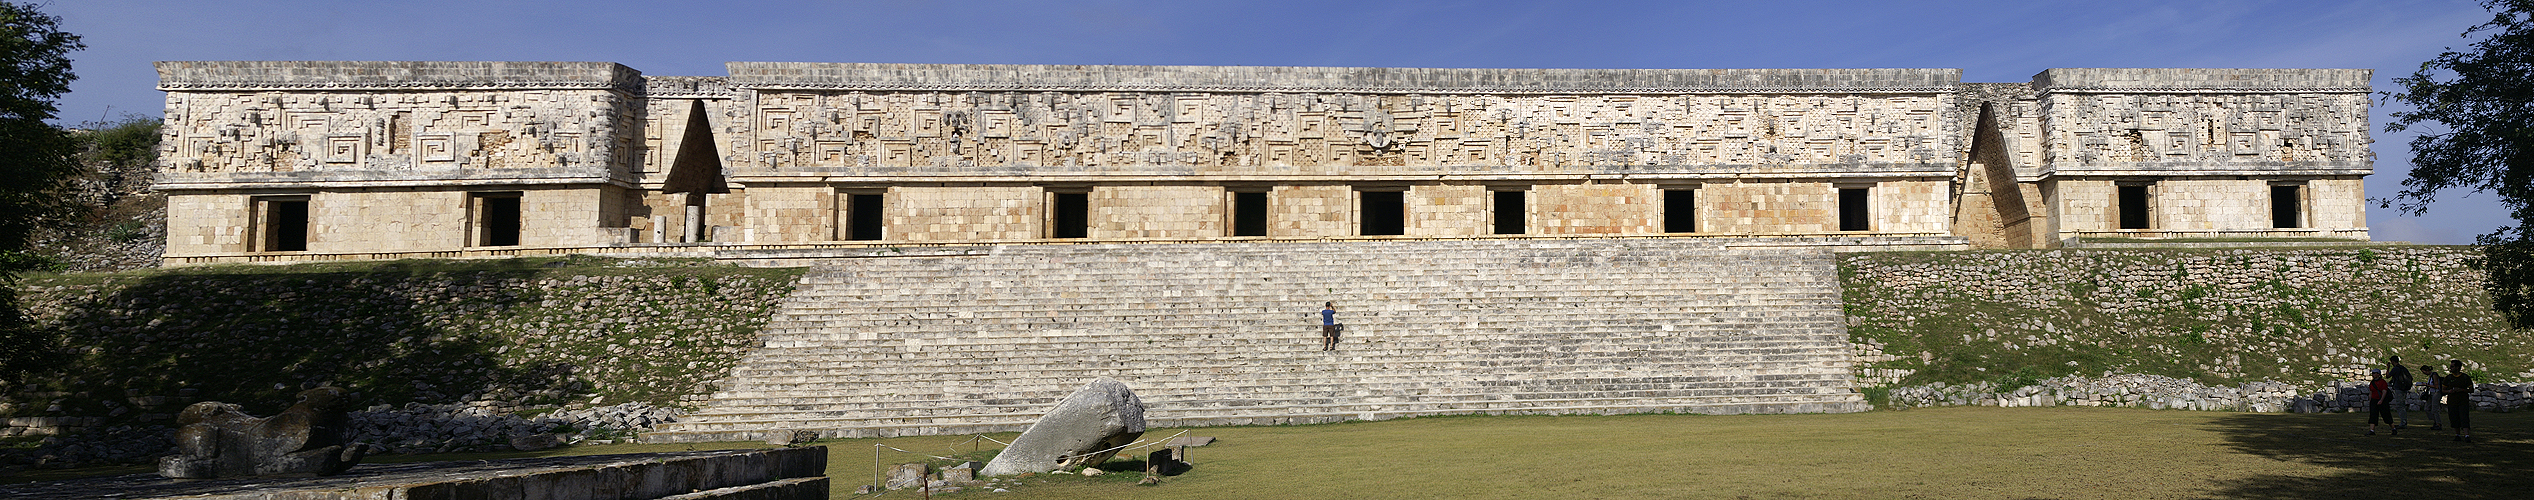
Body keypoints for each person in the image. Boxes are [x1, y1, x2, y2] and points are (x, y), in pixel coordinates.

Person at [2447, 360, 2474, 443]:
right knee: (2454, 418)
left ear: (2457, 367)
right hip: (2452, 401)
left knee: (2464, 417)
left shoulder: (2465, 377)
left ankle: (2466, 435)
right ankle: (2457, 435)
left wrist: (2462, 390)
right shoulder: (2448, 378)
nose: (2450, 368)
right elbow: (2443, 389)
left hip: (2463, 401)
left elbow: (2471, 389)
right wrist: (2450, 391)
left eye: (2452, 366)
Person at [2387, 356, 2413, 432]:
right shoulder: (2403, 368)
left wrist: (2388, 368)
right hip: (2404, 388)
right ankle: (2403, 422)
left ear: (2392, 361)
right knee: (2402, 405)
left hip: (2399, 389)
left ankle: (2403, 422)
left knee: (2400, 405)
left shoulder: (2395, 369)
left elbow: (2388, 376)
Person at [2419, 364, 2446, 431]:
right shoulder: (2430, 376)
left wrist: (2426, 384)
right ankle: (2435, 420)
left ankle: (2438, 423)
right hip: (2431, 393)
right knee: (2427, 408)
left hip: (2436, 393)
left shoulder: (2434, 375)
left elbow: (2436, 386)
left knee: (2435, 409)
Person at [2366, 369, 2392, 436]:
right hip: (2374, 400)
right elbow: (2371, 392)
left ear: (2378, 374)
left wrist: (2381, 400)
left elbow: (2384, 391)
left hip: (2382, 400)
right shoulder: (2372, 383)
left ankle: (2393, 428)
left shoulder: (2382, 382)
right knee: (2373, 415)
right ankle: (2372, 430)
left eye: (2375, 373)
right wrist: (2370, 400)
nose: (2373, 374)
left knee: (2386, 415)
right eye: (2372, 373)